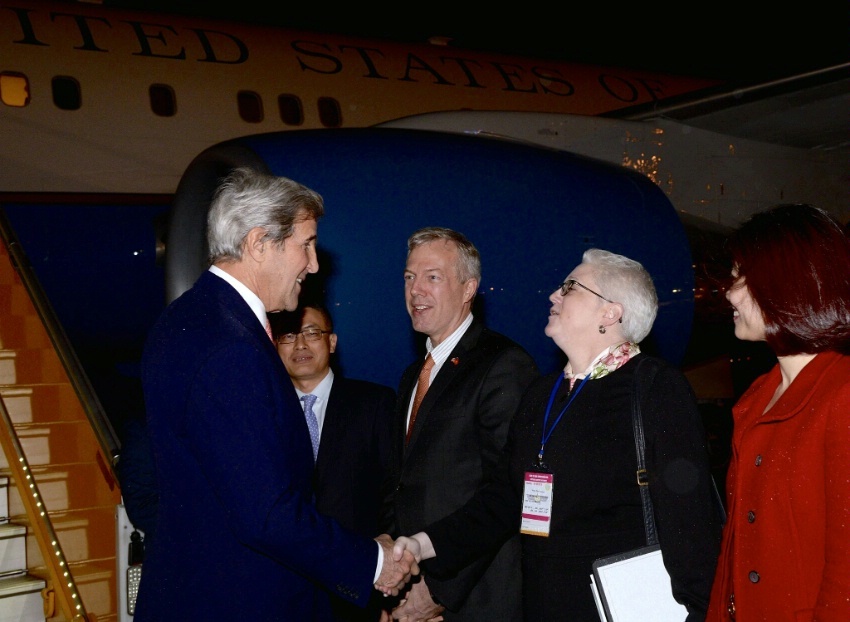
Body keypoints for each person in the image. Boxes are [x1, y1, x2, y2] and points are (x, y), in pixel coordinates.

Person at [136, 167, 417, 621]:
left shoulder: (188, 319)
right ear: (258, 243)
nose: (314, 264)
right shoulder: (230, 347)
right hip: (238, 602)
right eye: (305, 244)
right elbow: (266, 512)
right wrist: (373, 562)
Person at [396, 248, 722, 622]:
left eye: (570, 287)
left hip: (619, 608)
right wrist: (421, 545)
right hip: (541, 604)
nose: (554, 294)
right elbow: (504, 499)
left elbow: (689, 523)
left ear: (610, 312)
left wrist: (699, 612)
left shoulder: (653, 388)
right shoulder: (542, 394)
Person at [380, 227, 540, 621]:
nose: (416, 290)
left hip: (474, 600)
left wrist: (440, 591)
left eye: (433, 277)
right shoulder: (412, 375)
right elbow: (401, 482)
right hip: (409, 590)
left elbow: (507, 495)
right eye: (409, 277)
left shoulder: (503, 365)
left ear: (469, 289)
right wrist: (391, 568)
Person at [705, 204, 850, 622]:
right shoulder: (756, 397)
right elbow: (734, 549)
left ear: (793, 283)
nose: (730, 292)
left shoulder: (841, 396)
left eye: (744, 277)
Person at [274, 303, 397, 622]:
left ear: (332, 342)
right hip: (284, 587)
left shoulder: (374, 404)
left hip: (355, 586)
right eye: (288, 336)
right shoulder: (265, 414)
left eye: (312, 333)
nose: (300, 344)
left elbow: (395, 490)